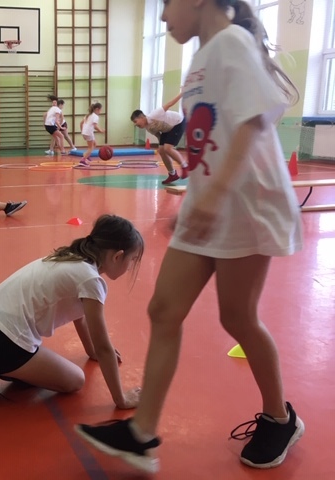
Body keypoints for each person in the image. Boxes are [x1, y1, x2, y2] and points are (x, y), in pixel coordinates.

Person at [75, 0, 303, 474]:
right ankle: (142, 433)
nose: (162, 17)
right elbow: (207, 142)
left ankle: (280, 418)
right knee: (164, 310)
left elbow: (251, 126)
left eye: (166, 5)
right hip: (210, 206)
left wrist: (213, 197)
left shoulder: (232, 43)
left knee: (238, 318)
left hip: (248, 206)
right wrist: (197, 201)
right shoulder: (199, 59)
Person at [0, 214, 144, 408]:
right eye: (132, 259)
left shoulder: (72, 257)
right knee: (75, 380)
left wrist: (91, 351)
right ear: (117, 256)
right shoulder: (91, 280)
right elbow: (104, 347)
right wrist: (121, 400)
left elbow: (80, 316)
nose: (130, 267)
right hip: (1, 341)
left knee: (48, 367)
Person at [131, 92, 188, 185]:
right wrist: (161, 146)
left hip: (178, 123)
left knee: (168, 148)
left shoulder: (154, 115)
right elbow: (159, 136)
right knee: (162, 150)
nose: (135, 124)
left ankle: (185, 166)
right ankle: (172, 174)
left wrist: (182, 93)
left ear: (141, 117)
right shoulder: (148, 127)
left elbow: (170, 104)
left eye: (135, 121)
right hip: (167, 129)